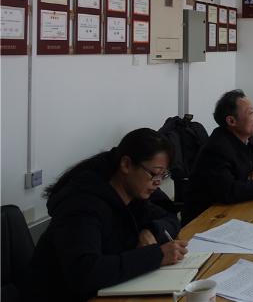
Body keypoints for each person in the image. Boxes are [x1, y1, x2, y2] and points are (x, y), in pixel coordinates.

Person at [26, 129, 186, 302]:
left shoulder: (137, 191)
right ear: (126, 165)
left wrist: (152, 231)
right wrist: (157, 256)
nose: (158, 182)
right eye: (154, 174)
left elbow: (171, 217)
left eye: (163, 175)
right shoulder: (81, 205)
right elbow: (85, 273)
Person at [182, 90, 253, 225]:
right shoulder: (217, 148)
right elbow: (229, 191)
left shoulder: (246, 138)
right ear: (232, 121)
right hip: (205, 220)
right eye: (251, 113)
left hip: (235, 209)